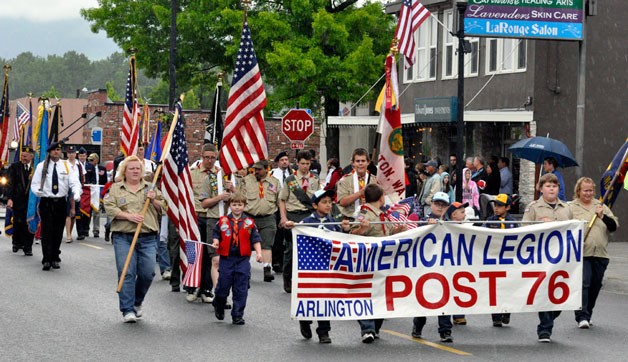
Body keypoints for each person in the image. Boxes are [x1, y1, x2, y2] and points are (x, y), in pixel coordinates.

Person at [286, 189, 351, 344]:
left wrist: (346, 230)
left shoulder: (333, 223)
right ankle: (305, 320)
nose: (328, 205)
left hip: (327, 267)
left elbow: (343, 241)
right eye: (324, 202)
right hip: (309, 267)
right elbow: (293, 238)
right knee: (310, 296)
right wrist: (290, 228)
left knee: (325, 298)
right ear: (315, 205)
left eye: (330, 202)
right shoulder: (307, 222)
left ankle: (323, 331)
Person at [104, 155, 164, 322]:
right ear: (125, 171)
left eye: (138, 168)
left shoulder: (150, 188)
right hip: (123, 236)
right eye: (132, 168)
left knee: (148, 273)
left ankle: (137, 302)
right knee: (127, 273)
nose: (135, 171)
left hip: (148, 237)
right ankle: (127, 309)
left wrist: (154, 201)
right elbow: (109, 207)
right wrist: (127, 216)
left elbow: (164, 207)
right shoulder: (116, 188)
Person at [351, 184, 405, 343]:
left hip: (384, 259)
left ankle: (375, 326)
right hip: (368, 258)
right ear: (380, 197)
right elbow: (352, 233)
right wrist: (362, 229)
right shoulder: (363, 213)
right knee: (366, 293)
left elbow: (386, 232)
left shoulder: (383, 215)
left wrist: (398, 230)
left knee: (382, 293)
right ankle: (367, 328)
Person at [522, 173, 573, 343]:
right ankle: (545, 329)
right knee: (545, 292)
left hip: (563, 258)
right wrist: (538, 225)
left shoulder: (566, 208)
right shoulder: (533, 208)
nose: (552, 188)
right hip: (541, 257)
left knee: (559, 294)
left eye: (554, 186)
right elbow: (523, 231)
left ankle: (551, 317)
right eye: (548, 186)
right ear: (541, 188)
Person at [570, 177, 618, 329]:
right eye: (585, 190)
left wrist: (602, 216)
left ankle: (588, 313)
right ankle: (581, 316)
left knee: (595, 285)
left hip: (600, 254)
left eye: (591, 190)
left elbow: (613, 226)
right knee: (584, 283)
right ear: (579, 191)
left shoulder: (601, 205)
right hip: (582, 253)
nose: (588, 193)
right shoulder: (571, 207)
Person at [211, 192, 263, 325]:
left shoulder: (249, 223)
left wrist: (258, 253)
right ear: (230, 206)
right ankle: (219, 303)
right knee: (223, 286)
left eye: (240, 205)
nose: (237, 208)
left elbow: (255, 239)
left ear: (244, 206)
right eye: (234, 205)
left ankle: (237, 314)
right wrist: (216, 242)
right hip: (227, 259)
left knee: (241, 288)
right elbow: (216, 234)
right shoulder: (223, 221)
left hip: (242, 259)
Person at [30, 141, 82, 270]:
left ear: (61, 152)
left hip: (60, 202)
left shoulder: (66, 166)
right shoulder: (42, 166)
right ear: (49, 152)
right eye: (54, 150)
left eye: (58, 150)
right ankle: (46, 259)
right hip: (46, 201)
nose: (56, 152)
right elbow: (35, 184)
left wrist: (76, 193)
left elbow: (74, 182)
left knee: (58, 231)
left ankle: (55, 257)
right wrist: (38, 192)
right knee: (47, 231)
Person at [412, 191, 454, 342]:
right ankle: (418, 325)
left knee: (444, 298)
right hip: (425, 266)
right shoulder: (423, 222)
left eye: (443, 205)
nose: (440, 207)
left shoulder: (452, 224)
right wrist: (426, 226)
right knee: (423, 298)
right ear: (431, 204)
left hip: (444, 266)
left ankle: (445, 331)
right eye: (437, 204)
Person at [278, 150, 320, 293]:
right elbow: (282, 200)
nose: (305, 167)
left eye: (308, 164)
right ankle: (287, 279)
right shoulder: (290, 179)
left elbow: (318, 200)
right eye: (302, 163)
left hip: (309, 215)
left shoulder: (315, 179)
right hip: (293, 216)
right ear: (297, 163)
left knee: (309, 249)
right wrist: (283, 217)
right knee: (291, 249)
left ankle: (306, 279)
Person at [189, 143, 223, 303]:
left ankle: (206, 289)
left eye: (212, 158)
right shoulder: (192, 174)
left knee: (211, 255)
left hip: (212, 218)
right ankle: (191, 286)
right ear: (201, 157)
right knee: (194, 253)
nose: (209, 161)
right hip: (195, 216)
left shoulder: (221, 175)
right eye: (206, 157)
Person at [241, 159, 280, 282]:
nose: (256, 171)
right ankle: (244, 268)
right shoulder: (246, 180)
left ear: (266, 169)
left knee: (267, 244)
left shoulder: (274, 182)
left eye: (259, 169)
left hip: (268, 217)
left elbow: (280, 200)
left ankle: (267, 268)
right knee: (246, 243)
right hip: (249, 216)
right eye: (254, 169)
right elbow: (240, 198)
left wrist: (282, 217)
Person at [483, 194, 518, 327]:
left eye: (500, 205)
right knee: (494, 287)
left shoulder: (513, 222)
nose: (496, 208)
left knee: (508, 286)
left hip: (508, 259)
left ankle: (507, 311)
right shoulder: (490, 221)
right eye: (495, 205)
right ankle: (496, 316)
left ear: (508, 207)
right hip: (494, 259)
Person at [6, 147, 35, 255]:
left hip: (31, 201)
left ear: (31, 156)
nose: (23, 158)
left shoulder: (35, 167)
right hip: (17, 200)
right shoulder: (15, 167)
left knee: (30, 222)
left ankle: (28, 247)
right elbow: (10, 184)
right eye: (22, 156)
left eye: (25, 156)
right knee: (18, 222)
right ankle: (16, 243)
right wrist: (9, 199)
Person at [337, 148, 376, 220]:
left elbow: (381, 201)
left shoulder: (374, 180)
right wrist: (360, 193)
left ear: (368, 162)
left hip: (370, 219)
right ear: (353, 163)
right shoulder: (345, 180)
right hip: (350, 219)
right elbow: (342, 202)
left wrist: (369, 201)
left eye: (363, 161)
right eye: (357, 161)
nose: (360, 163)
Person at [270, 150, 291, 273]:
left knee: (287, 235)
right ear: (278, 162)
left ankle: (285, 260)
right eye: (282, 160)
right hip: (277, 208)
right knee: (278, 235)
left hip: (289, 207)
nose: (284, 162)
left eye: (286, 160)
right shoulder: (273, 174)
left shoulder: (292, 173)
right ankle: (276, 261)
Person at [85, 153, 107, 238]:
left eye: (92, 160)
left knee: (97, 212)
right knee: (88, 211)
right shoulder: (87, 168)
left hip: (98, 192)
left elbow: (104, 181)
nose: (90, 162)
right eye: (89, 160)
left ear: (97, 160)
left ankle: (96, 230)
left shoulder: (102, 169)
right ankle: (86, 229)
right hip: (90, 191)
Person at [64, 146, 78, 243]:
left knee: (74, 214)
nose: (71, 154)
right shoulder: (64, 164)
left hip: (77, 191)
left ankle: (70, 232)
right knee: (68, 213)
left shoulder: (79, 164)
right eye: (69, 153)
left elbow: (82, 177)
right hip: (67, 191)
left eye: (72, 153)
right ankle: (68, 234)